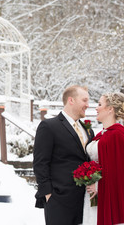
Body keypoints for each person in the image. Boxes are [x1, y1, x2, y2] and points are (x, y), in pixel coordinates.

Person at [33, 85, 95, 225]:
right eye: (84, 100)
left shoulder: (88, 129)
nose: (87, 105)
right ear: (71, 100)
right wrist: (49, 194)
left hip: (85, 201)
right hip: (58, 200)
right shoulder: (49, 126)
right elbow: (40, 163)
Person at [83, 92, 124, 225]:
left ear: (110, 109)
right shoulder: (103, 134)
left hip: (109, 195)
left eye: (100, 104)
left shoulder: (119, 135)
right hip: (93, 195)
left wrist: (98, 185)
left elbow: (122, 173)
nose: (96, 108)